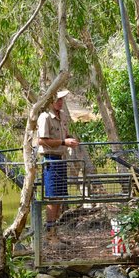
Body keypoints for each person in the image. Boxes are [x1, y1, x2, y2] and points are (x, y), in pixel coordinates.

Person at [38, 89, 79, 230]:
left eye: (62, 100)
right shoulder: (45, 117)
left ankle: (54, 231)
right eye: (58, 100)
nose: (60, 102)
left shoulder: (62, 115)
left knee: (60, 196)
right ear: (50, 102)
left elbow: (64, 135)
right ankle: (50, 232)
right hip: (51, 160)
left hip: (61, 159)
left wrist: (70, 139)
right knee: (52, 197)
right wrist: (63, 142)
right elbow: (42, 141)